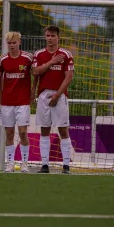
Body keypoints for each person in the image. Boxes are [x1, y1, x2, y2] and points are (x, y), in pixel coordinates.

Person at [32, 25, 74, 174]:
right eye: (47, 36)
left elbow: (69, 77)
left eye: (52, 36)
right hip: (43, 96)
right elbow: (36, 72)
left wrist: (57, 95)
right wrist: (52, 62)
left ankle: (66, 166)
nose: (50, 38)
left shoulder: (66, 54)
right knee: (44, 130)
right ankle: (44, 165)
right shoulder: (39, 54)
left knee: (63, 130)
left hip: (60, 95)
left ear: (58, 37)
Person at [0, 31, 33, 173]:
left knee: (23, 133)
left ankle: (25, 163)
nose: (11, 45)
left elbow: (35, 74)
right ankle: (10, 163)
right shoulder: (3, 60)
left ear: (19, 42)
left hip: (23, 101)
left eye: (14, 43)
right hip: (7, 102)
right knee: (9, 133)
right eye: (9, 43)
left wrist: (32, 92)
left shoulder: (28, 58)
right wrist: (1, 94)